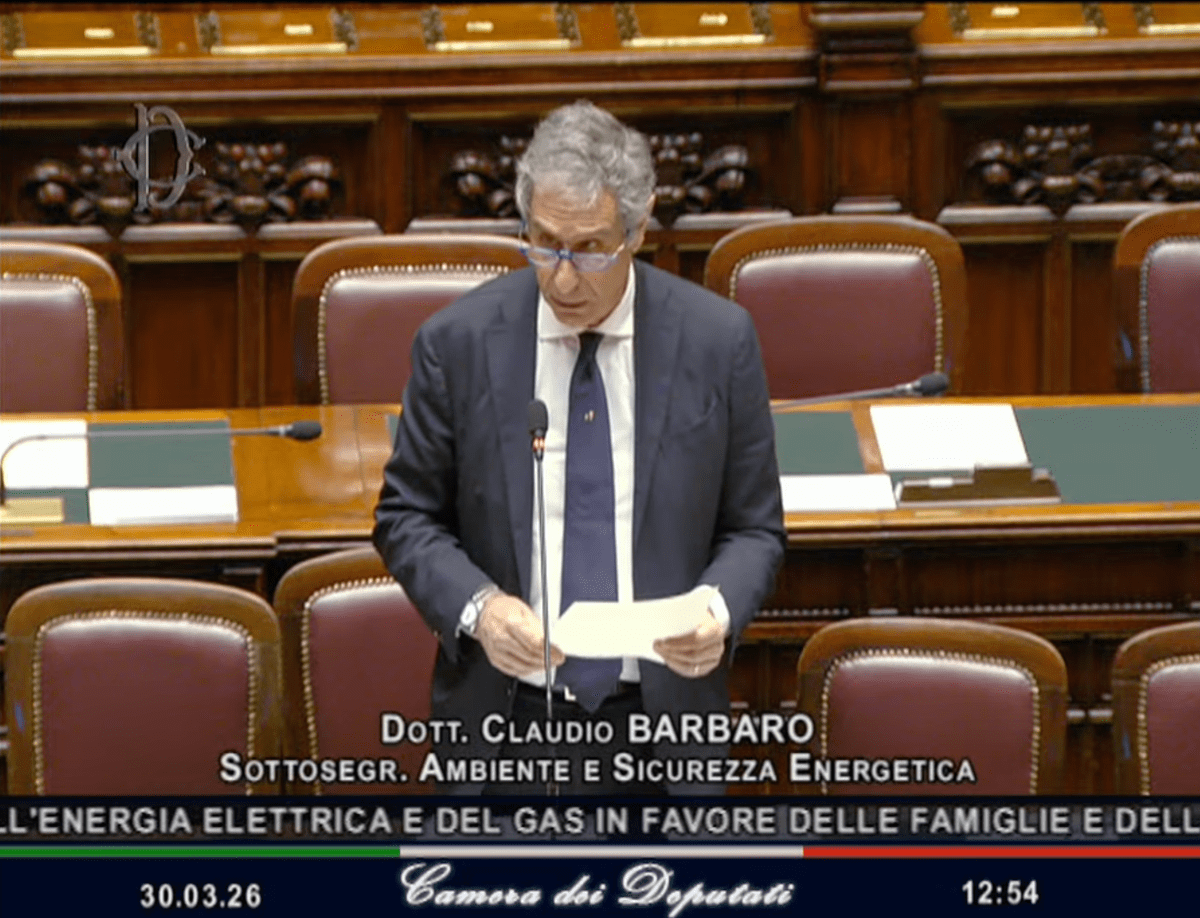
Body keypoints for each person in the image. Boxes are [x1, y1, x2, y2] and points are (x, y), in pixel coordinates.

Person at [374, 101, 784, 796]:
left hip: (663, 731)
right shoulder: (458, 344)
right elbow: (405, 516)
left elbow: (755, 528)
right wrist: (480, 608)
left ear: (639, 227)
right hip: (505, 730)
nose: (562, 278)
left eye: (590, 249)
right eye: (544, 244)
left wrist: (716, 610)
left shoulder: (717, 343)